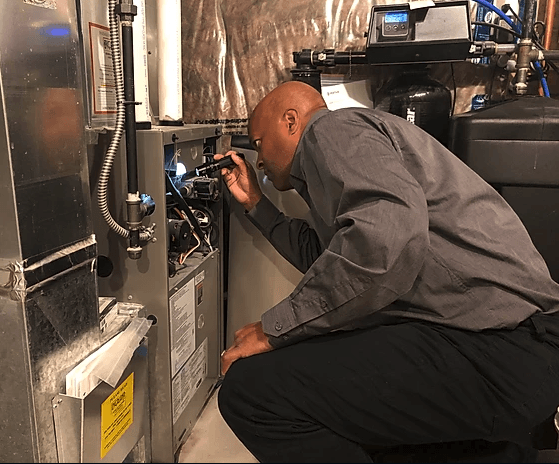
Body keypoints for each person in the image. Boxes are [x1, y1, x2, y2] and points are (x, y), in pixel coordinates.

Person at [215, 80, 559, 463]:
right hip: (517, 349)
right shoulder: (349, 149)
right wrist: (258, 206)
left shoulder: (331, 131)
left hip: (503, 347)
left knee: (251, 392)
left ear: (291, 121)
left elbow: (385, 242)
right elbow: (336, 258)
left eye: (259, 143)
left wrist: (273, 329)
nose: (258, 160)